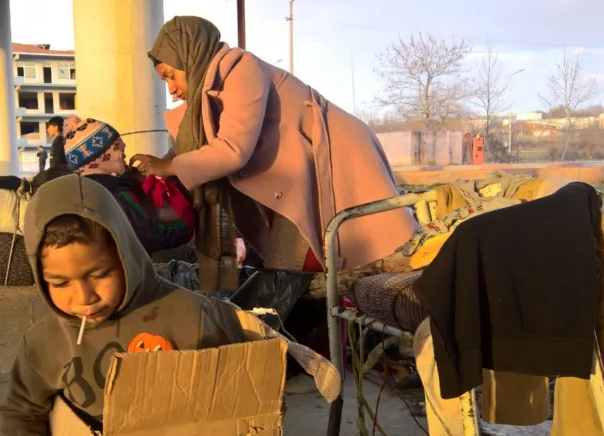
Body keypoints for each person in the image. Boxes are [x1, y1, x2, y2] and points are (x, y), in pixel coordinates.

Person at [0, 174, 244, 436]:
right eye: (59, 282)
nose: (84, 298)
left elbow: (243, 397)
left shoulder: (194, 316)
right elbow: (21, 408)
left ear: (125, 252)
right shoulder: (43, 342)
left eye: (99, 274)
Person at [131, 16, 418, 294]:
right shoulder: (208, 94)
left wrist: (168, 166)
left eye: (170, 76)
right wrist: (159, 165)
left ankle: (335, 337)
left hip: (329, 162)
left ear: (189, 58)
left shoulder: (241, 69)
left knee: (306, 267)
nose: (171, 90)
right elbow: (195, 148)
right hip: (295, 175)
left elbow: (232, 150)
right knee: (297, 272)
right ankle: (331, 336)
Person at [62, 115, 195, 255]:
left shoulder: (93, 188)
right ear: (102, 157)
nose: (124, 151)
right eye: (117, 149)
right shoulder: (114, 193)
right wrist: (187, 228)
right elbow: (148, 234)